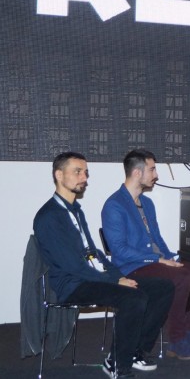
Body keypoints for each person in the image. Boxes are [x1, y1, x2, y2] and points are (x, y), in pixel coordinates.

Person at [34, 152, 174, 378]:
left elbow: (93, 253)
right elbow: (72, 265)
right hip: (72, 284)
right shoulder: (50, 216)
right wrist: (115, 280)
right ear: (59, 175)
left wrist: (117, 275)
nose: (84, 178)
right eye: (77, 172)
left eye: (85, 172)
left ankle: (136, 351)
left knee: (163, 287)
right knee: (133, 297)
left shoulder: (75, 211)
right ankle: (118, 364)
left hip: (89, 276)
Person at [101, 149, 190, 361]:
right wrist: (158, 259)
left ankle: (189, 331)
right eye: (152, 170)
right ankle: (177, 341)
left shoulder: (147, 204)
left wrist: (171, 258)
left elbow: (157, 240)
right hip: (133, 267)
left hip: (158, 263)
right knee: (181, 277)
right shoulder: (114, 205)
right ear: (137, 173)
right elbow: (119, 250)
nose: (156, 175)